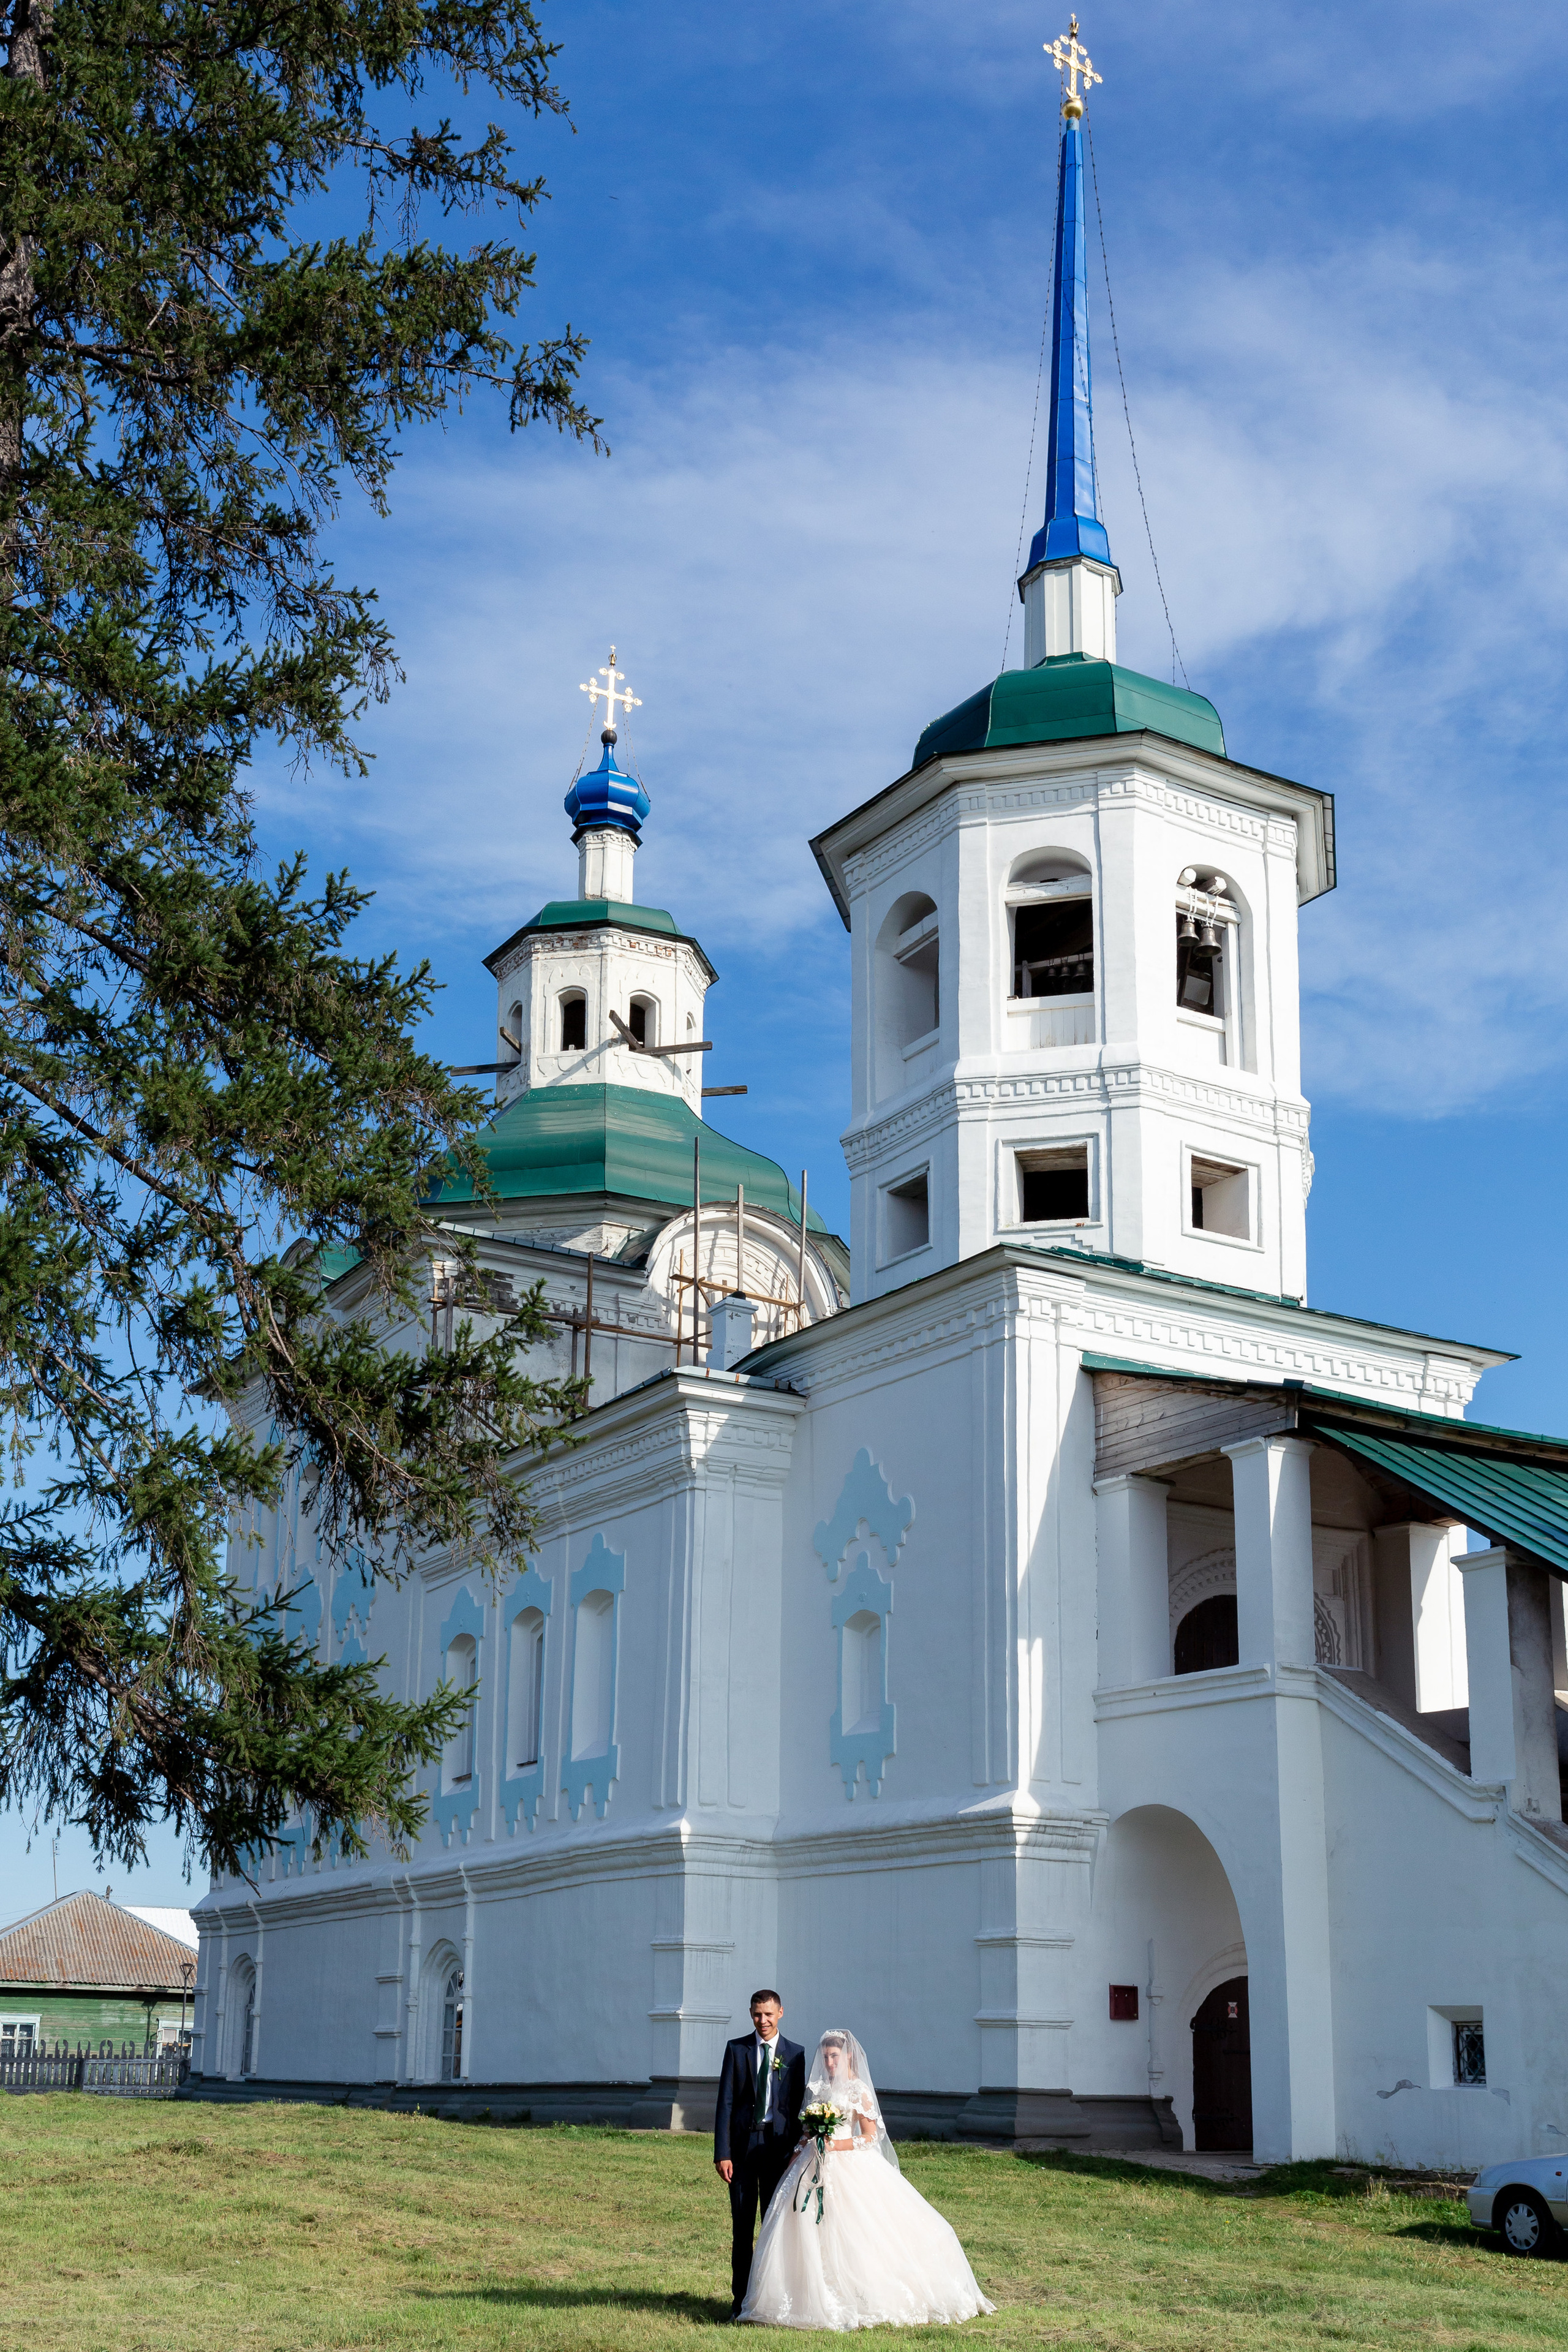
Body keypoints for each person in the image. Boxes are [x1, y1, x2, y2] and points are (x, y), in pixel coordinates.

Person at [739, 2029, 994, 2331]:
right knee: (801, 2225)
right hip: (812, 2164)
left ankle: (857, 2296)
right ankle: (802, 2296)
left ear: (848, 2057)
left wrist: (835, 2145)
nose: (830, 2063)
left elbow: (870, 2138)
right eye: (826, 2057)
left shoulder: (858, 2090)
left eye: (835, 2056)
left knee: (854, 2230)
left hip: (848, 2164)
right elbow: (807, 2132)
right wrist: (798, 2152)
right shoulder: (818, 2090)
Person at [714, 1990, 807, 2318]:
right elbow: (725, 2103)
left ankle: (769, 2303)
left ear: (781, 2012)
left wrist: (797, 2153)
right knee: (742, 2228)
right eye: (757, 2015)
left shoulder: (795, 2054)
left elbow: (796, 2108)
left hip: (776, 2151)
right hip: (741, 2151)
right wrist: (722, 2153)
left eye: (768, 2014)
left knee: (773, 2228)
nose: (763, 2021)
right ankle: (740, 2303)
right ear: (751, 2014)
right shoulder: (737, 2049)